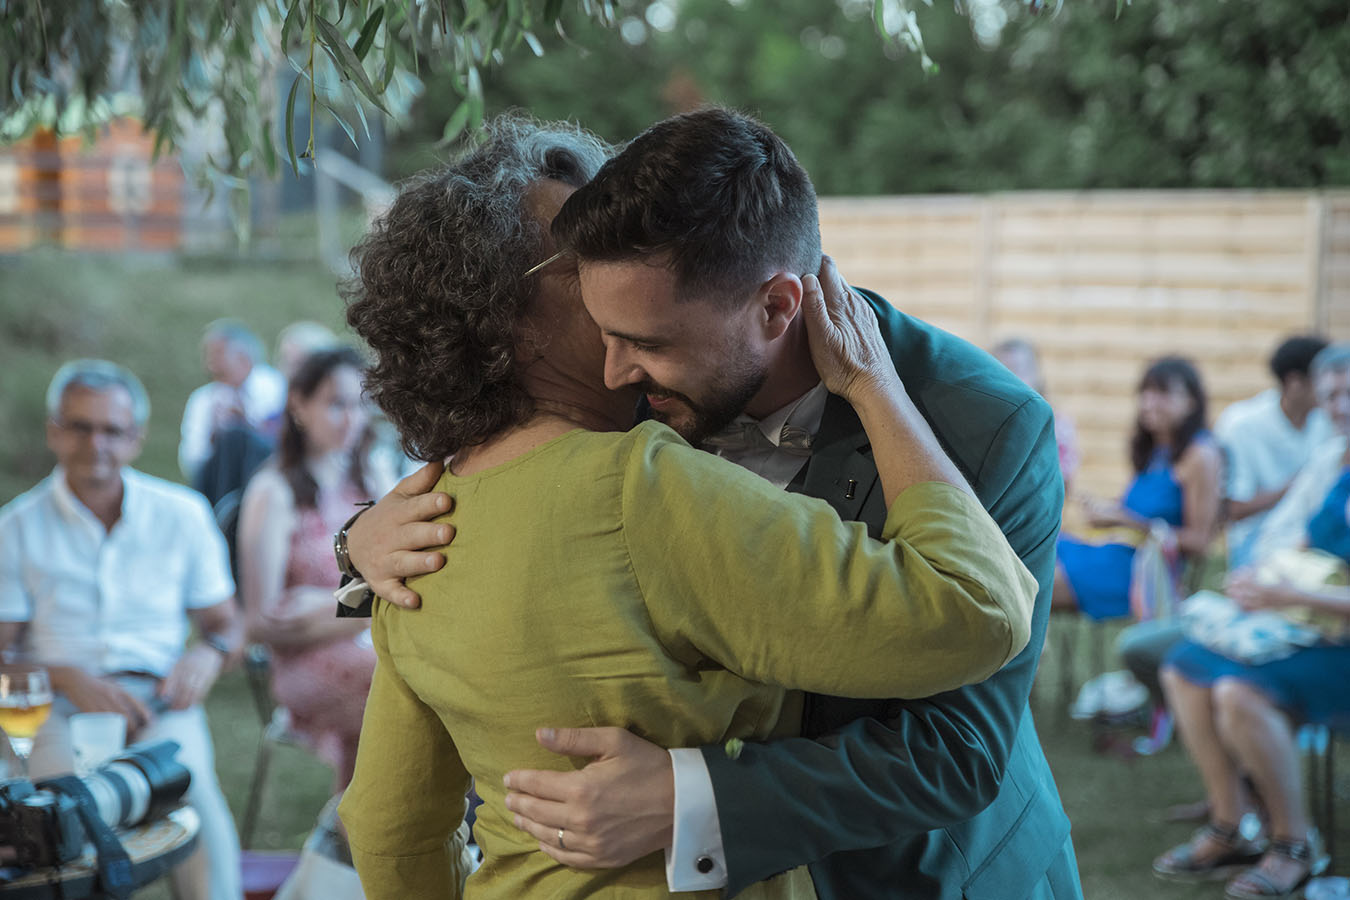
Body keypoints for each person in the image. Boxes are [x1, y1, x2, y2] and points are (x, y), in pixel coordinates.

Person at [342, 108, 1079, 899]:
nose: (619, 361)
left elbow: (955, 749)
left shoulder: (987, 424)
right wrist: (357, 544)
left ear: (774, 307)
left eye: (646, 339)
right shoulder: (627, 398)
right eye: (578, 269)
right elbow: (517, 493)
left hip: (922, 876)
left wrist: (691, 800)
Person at [0, 360, 245, 900]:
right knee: (63, 814)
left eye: (112, 429)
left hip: (156, 702)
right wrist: (67, 678)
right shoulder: (17, 526)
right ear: (54, 431)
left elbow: (226, 625)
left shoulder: (182, 513)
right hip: (55, 706)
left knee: (198, 806)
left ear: (136, 438)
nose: (97, 443)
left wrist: (208, 654)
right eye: (80, 426)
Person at [1150, 345, 1350, 900]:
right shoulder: (1336, 458)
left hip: (1341, 639)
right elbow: (1295, 535)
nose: (1338, 406)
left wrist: (1286, 591)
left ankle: (1294, 845)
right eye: (1331, 394)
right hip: (1311, 624)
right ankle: (1231, 824)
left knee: (1240, 692)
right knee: (1184, 668)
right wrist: (1258, 579)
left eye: (1348, 393)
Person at [236, 347, 392, 788]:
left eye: (362, 404)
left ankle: (365, 829)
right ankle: (366, 831)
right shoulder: (275, 490)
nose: (351, 419)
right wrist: (369, 602)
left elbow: (403, 579)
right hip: (304, 664)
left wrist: (330, 604)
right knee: (404, 684)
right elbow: (261, 621)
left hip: (371, 643)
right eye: (336, 403)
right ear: (299, 405)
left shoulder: (371, 476)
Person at [1054, 356, 1223, 620]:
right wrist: (1105, 510)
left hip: (1142, 575)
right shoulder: (1157, 451)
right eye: (1145, 392)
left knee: (1032, 580)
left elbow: (1199, 541)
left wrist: (1125, 521)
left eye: (1162, 393)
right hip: (1112, 554)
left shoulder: (1200, 456)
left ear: (1191, 402)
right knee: (1037, 545)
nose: (1148, 403)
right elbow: (1135, 510)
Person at [1216, 335, 1331, 570]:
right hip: (1256, 547)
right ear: (1295, 382)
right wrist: (1300, 485)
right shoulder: (1242, 425)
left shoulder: (1328, 420)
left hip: (1315, 543)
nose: (1330, 387)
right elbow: (1233, 509)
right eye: (1322, 378)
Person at [179, 318, 287, 490]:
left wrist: (247, 425)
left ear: (244, 359)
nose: (210, 364)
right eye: (207, 355)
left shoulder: (276, 387)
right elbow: (191, 462)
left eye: (217, 354)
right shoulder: (203, 399)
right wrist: (213, 437)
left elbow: (282, 444)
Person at [993, 337, 1081, 492]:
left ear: (1036, 376)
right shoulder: (985, 423)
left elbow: (1064, 484)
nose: (1010, 380)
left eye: (1018, 370)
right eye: (1001, 371)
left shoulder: (1057, 425)